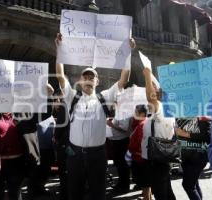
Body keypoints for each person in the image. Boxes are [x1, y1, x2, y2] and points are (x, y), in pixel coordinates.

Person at [55, 33, 135, 200]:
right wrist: (59, 50)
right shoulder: (72, 97)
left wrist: (128, 53)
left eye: (92, 77)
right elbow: (60, 77)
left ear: (97, 82)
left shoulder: (104, 97)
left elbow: (123, 80)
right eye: (85, 77)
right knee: (74, 193)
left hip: (97, 155)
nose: (89, 79)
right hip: (74, 154)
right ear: (80, 80)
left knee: (98, 193)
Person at [142, 68, 176, 200]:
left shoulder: (160, 107)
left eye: (155, 87)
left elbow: (150, 97)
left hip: (156, 158)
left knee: (161, 193)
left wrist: (147, 76)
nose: (153, 89)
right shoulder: (169, 109)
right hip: (162, 157)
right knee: (166, 191)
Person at [175, 117, 211, 200]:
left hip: (198, 155)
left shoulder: (202, 115)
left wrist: (184, 134)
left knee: (188, 185)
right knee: (194, 184)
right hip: (184, 154)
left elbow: (207, 137)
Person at [129, 104, 152, 200]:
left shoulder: (142, 125)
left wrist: (132, 149)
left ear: (142, 114)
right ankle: (148, 197)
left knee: (145, 183)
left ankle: (147, 198)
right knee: (146, 184)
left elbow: (139, 143)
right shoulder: (146, 122)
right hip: (143, 157)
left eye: (136, 112)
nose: (134, 114)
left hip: (140, 158)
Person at [106, 112, 131, 193]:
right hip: (116, 140)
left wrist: (111, 124)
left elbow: (124, 128)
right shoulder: (119, 111)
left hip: (122, 141)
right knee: (118, 163)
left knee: (122, 164)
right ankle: (121, 183)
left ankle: (124, 185)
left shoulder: (125, 113)